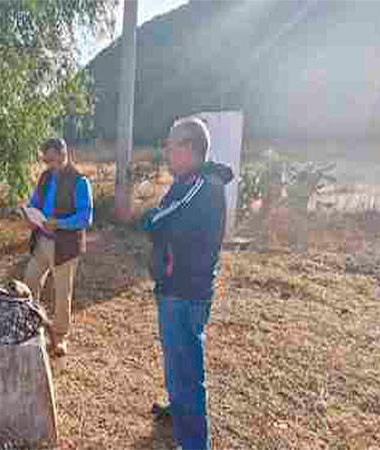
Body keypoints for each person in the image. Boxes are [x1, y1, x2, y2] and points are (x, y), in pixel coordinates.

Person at [140, 117, 234, 450]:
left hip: (184, 292)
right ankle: (178, 409)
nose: (166, 153)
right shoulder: (191, 182)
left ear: (190, 148)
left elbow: (158, 221)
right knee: (178, 363)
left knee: (188, 373)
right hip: (178, 287)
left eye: (170, 146)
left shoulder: (199, 185)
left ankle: (194, 442)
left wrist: (148, 219)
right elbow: (171, 220)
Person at [23, 138, 93, 357]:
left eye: (51, 160)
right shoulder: (45, 177)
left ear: (64, 155)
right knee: (29, 282)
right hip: (41, 242)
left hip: (65, 246)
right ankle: (32, 327)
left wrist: (59, 224)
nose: (48, 165)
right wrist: (29, 215)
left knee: (62, 294)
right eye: (45, 160)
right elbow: (35, 202)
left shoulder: (80, 181)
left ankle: (60, 337)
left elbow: (85, 218)